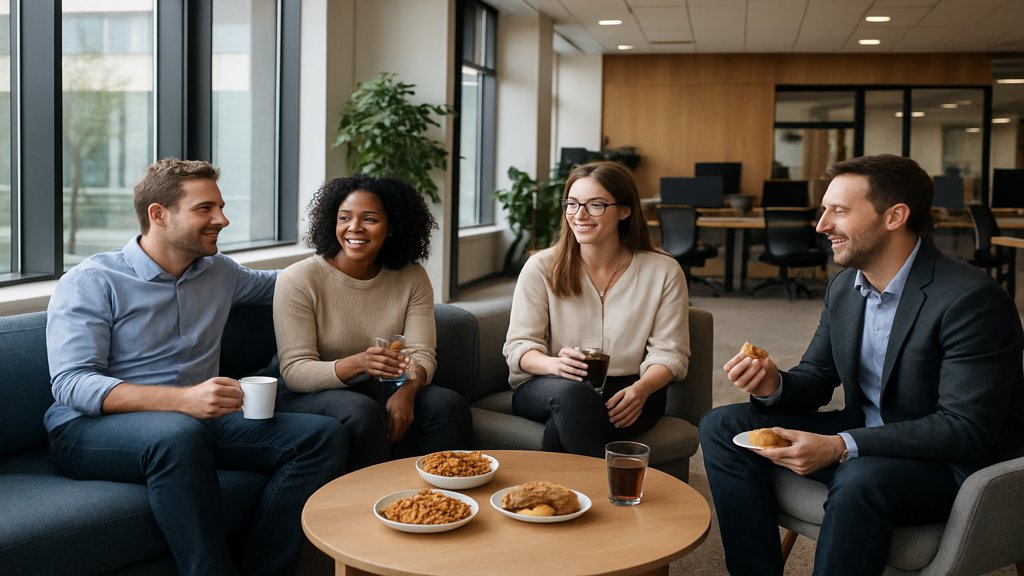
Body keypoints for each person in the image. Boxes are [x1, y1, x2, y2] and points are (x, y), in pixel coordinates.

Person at [700, 154, 1024, 576]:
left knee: (860, 479)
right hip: (865, 434)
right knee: (722, 427)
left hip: (946, 463)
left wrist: (840, 446)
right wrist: (772, 385)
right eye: (823, 211)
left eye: (839, 211)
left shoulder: (970, 300)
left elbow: (964, 429)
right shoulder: (845, 289)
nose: (821, 225)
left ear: (894, 216)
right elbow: (816, 380)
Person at [45, 158, 347, 576]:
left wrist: (356, 251)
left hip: (195, 418)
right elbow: (72, 383)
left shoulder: (219, 272)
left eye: (220, 207)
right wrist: (185, 399)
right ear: (159, 214)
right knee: (178, 433)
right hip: (87, 428)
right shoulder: (93, 281)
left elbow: (289, 282)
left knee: (321, 437)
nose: (222, 219)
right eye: (205, 208)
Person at [273, 174, 472, 470]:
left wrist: (407, 390)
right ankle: (368, 506)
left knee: (447, 405)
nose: (354, 228)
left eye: (369, 219)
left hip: (386, 386)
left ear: (392, 227)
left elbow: (421, 354)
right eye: (344, 218)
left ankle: (433, 503)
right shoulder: (299, 279)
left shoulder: (411, 277)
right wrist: (360, 363)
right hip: (311, 392)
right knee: (363, 412)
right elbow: (296, 371)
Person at [502, 160, 690, 457]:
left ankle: (563, 499)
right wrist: (554, 365)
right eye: (572, 204)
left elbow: (670, 353)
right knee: (573, 398)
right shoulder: (541, 267)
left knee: (560, 430)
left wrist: (641, 390)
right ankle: (606, 496)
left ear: (625, 211)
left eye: (596, 205)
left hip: (630, 388)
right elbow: (519, 347)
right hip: (550, 383)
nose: (580, 215)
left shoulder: (663, 271)